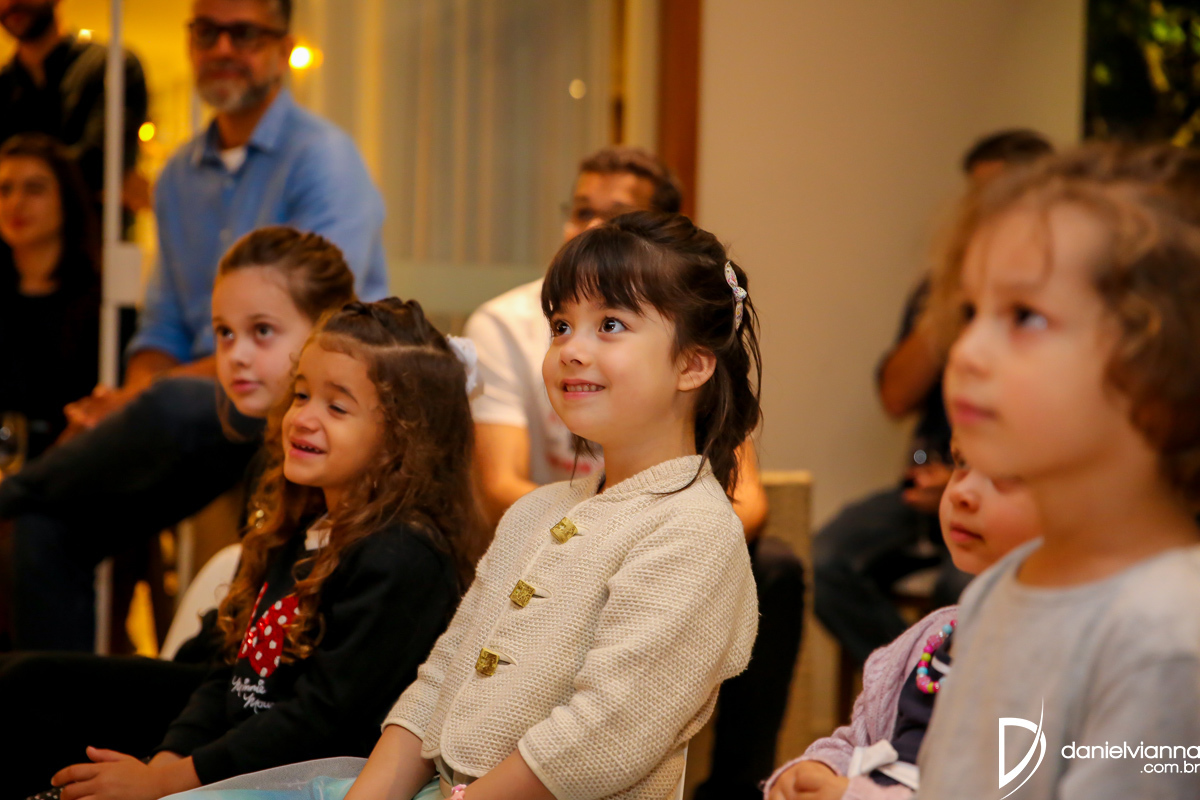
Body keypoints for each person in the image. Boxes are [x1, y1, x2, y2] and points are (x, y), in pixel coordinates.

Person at [196, 211, 760, 800]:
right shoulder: (535, 512)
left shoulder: (694, 532)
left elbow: (604, 734)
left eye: (611, 324)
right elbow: (440, 682)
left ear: (692, 364)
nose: (570, 349)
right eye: (561, 326)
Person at [1, 0, 390, 651]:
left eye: (244, 33)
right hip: (210, 419)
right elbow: (162, 327)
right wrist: (128, 402)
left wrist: (148, 396)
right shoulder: (179, 175)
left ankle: (11, 491)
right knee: (46, 528)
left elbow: (313, 331)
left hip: (312, 400)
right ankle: (57, 704)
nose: (222, 48)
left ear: (281, 47)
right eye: (207, 32)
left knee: (175, 398)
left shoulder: (323, 158)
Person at [45, 298, 484, 799]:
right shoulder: (304, 530)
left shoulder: (401, 556)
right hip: (242, 772)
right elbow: (231, 676)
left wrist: (165, 783)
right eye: (301, 395)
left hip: (317, 785)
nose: (303, 418)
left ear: (404, 437)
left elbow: (316, 722)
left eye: (337, 407)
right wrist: (163, 766)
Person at [466, 146, 803, 800]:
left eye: (617, 217)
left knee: (776, 569)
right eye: (581, 211)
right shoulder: (508, 322)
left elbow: (748, 500)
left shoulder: (682, 336)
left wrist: (644, 542)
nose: (593, 229)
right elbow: (498, 483)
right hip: (554, 516)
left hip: (657, 518)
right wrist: (589, 534)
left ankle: (736, 786)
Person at [0, 226, 359, 797]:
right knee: (22, 662)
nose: (236, 355)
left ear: (325, 330)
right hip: (222, 684)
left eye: (262, 331)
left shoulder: (326, 462)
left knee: (27, 688)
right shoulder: (267, 453)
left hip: (261, 707)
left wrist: (168, 768)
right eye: (223, 333)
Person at [915, 143, 1200, 799]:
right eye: (970, 313)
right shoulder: (999, 586)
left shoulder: (1168, 637)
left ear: (1157, 364)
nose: (967, 351)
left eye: (1025, 317)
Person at [812, 129, 1054, 666]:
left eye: (996, 195)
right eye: (974, 196)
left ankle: (944, 673)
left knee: (961, 583)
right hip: (928, 485)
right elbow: (896, 397)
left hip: (1007, 491)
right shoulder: (944, 290)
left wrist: (970, 479)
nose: (979, 210)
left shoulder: (1053, 299)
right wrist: (951, 300)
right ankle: (912, 674)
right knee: (824, 560)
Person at [763, 441, 1041, 800]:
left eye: (1002, 476)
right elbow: (860, 742)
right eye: (961, 462)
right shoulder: (928, 637)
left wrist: (852, 795)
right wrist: (820, 769)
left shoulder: (1048, 665)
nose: (961, 492)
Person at [0, 133, 100, 462]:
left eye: (34, 189)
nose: (16, 203)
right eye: (4, 190)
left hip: (69, 469)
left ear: (66, 199)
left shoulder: (102, 306)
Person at [0, 0, 148, 206]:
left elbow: (100, 166)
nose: (10, 3)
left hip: (94, 226)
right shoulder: (4, 85)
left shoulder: (111, 66)